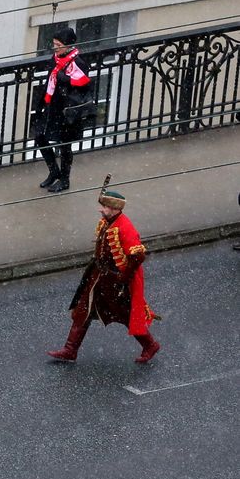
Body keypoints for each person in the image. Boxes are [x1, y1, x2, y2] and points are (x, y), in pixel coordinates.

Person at [48, 181, 160, 364]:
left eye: (105, 207)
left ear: (115, 209)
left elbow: (138, 255)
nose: (101, 210)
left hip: (113, 280)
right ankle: (70, 350)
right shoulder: (109, 221)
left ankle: (150, 344)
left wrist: (122, 278)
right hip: (98, 276)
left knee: (124, 314)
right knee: (82, 309)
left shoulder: (125, 227)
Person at [34, 26, 95, 194]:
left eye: (58, 44)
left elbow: (85, 85)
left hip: (68, 111)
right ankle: (54, 171)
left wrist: (66, 80)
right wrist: (41, 103)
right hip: (52, 107)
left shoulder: (78, 62)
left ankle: (65, 179)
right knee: (39, 137)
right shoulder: (55, 59)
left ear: (68, 46)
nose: (55, 47)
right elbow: (49, 82)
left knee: (64, 145)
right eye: (54, 43)